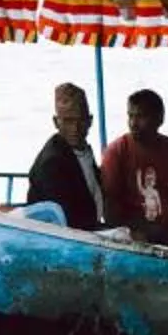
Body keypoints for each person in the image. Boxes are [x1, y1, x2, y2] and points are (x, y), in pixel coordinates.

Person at [100, 86, 168, 248]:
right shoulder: (116, 151)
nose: (133, 123)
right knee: (163, 237)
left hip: (167, 225)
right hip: (133, 229)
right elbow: (109, 201)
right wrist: (125, 233)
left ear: (159, 119)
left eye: (141, 116)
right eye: (130, 116)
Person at [25, 81, 108, 231]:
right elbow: (69, 223)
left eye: (80, 120)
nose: (74, 128)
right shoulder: (52, 163)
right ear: (56, 122)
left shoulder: (83, 151)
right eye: (68, 121)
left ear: (89, 121)